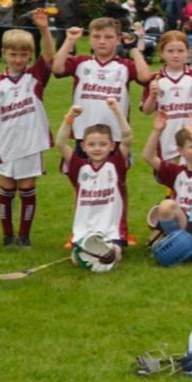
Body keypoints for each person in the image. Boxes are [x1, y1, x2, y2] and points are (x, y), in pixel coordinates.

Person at [0, 11, 55, 247]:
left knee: (27, 189)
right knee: (6, 189)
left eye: (23, 54)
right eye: (13, 54)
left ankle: (24, 236)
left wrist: (44, 29)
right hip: (5, 143)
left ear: (30, 55)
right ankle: (7, 235)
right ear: (4, 53)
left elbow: (49, 55)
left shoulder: (35, 76)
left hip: (31, 143)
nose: (18, 59)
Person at [55, 100, 131, 265]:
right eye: (91, 144)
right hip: (84, 231)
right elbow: (60, 143)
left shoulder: (116, 164)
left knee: (114, 255)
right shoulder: (78, 166)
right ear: (83, 146)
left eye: (103, 144)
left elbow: (127, 138)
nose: (97, 148)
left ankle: (108, 251)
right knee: (76, 261)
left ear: (112, 146)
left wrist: (117, 111)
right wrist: (70, 118)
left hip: (111, 231)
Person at [52, 18, 151, 144]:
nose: (102, 41)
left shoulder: (125, 65)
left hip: (116, 134)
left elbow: (145, 77)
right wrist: (69, 40)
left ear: (118, 40)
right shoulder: (81, 62)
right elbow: (57, 68)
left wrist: (133, 49)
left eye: (108, 37)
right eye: (96, 37)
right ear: (90, 39)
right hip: (84, 133)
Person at [142, 114, 192, 263]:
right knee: (166, 206)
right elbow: (148, 157)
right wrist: (157, 131)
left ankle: (186, 248)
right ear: (180, 150)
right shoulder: (176, 172)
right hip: (184, 223)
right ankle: (177, 241)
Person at [139, 31, 192, 162]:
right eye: (170, 51)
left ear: (188, 52)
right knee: (170, 173)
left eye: (180, 51)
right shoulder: (156, 78)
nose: (175, 55)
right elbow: (147, 111)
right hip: (167, 141)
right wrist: (152, 96)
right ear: (161, 53)